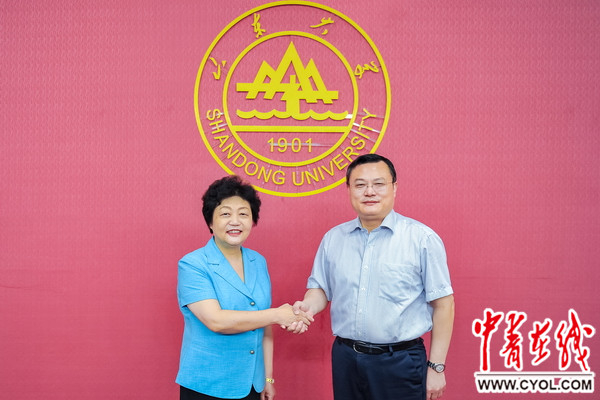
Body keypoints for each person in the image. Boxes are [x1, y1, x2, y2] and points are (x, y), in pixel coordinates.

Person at [289, 154, 455, 400]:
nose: (369, 192)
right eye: (360, 185)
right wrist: (307, 307)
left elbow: (444, 304)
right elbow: (320, 289)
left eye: (378, 184)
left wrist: (436, 367)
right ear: (348, 190)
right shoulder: (334, 239)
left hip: (399, 361)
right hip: (346, 358)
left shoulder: (422, 239)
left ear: (394, 188)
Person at [176, 175, 312, 400]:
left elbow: (265, 324)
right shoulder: (193, 264)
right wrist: (278, 314)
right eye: (225, 214)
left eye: (243, 214)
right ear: (210, 222)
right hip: (208, 385)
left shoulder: (257, 261)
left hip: (252, 384)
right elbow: (216, 321)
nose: (235, 221)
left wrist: (268, 378)